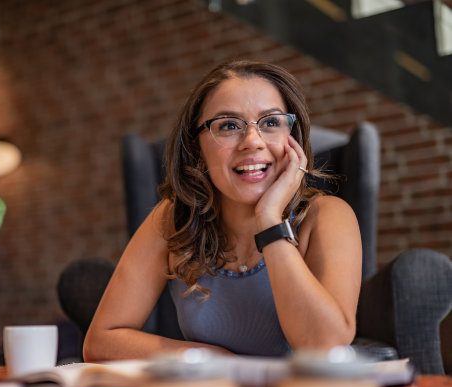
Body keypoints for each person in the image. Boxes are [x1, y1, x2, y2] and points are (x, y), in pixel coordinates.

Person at [83, 58, 362, 361]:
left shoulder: (328, 216)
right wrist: (213, 359)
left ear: (291, 138)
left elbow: (326, 347)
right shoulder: (174, 218)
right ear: (197, 148)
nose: (252, 141)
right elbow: (101, 342)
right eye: (229, 126)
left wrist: (269, 221)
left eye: (270, 122)